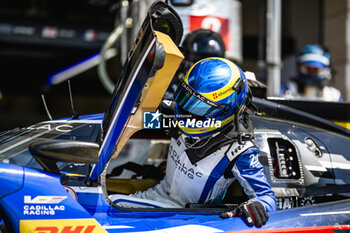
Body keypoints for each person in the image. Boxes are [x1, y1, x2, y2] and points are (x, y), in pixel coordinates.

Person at [110, 58, 276, 227]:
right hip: (155, 199)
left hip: (183, 218)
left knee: (109, 210)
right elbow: (132, 121)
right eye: (186, 98)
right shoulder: (174, 118)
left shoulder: (239, 151)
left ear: (225, 110)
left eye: (200, 108)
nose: (188, 112)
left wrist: (257, 205)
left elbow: (268, 198)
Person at [163, 29, 226, 100]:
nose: (202, 72)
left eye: (208, 66)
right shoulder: (171, 88)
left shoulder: (223, 91)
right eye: (196, 64)